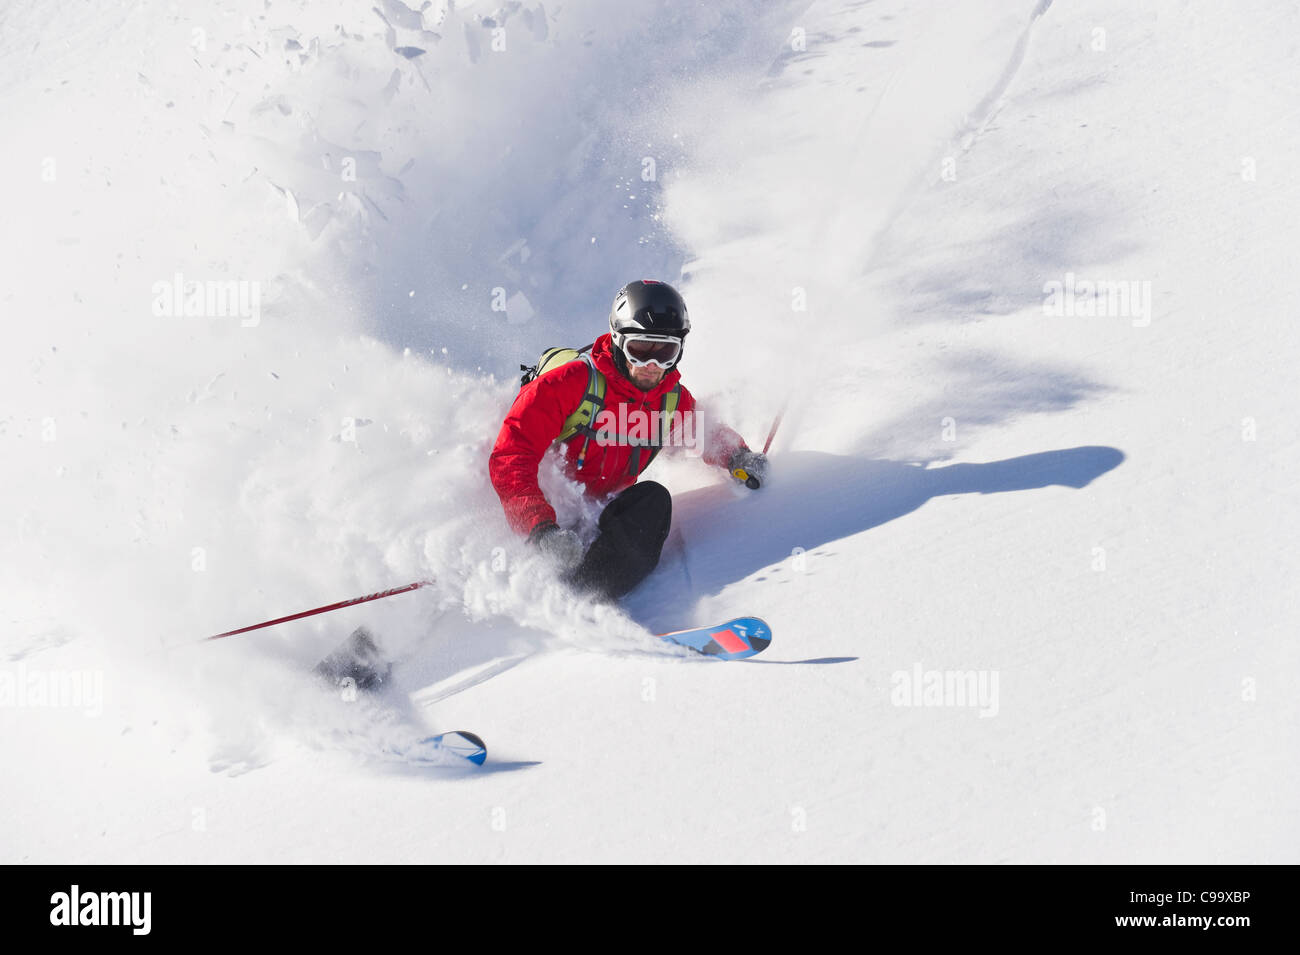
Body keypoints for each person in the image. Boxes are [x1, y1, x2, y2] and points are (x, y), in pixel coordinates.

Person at [489, 279, 769, 600]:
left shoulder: (668, 399)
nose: (652, 366)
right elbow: (512, 454)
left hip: (599, 514)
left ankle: (586, 596)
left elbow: (705, 432)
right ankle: (561, 591)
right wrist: (540, 529)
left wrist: (738, 457)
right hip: (546, 519)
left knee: (653, 500)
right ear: (619, 340)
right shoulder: (570, 384)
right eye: (640, 349)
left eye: (666, 351)